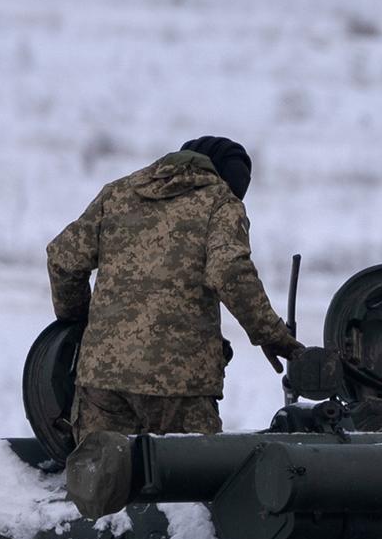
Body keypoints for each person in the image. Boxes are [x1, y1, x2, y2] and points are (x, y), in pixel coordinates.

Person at [46, 136, 301, 441]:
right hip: (180, 386)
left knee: (100, 481)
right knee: (187, 485)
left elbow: (63, 258)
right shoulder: (220, 202)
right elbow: (229, 271)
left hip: (102, 383)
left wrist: (79, 323)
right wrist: (273, 337)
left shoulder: (117, 194)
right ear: (224, 178)